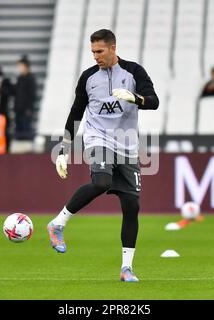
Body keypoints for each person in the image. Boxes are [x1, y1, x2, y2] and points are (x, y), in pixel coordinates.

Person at [47, 29, 159, 282]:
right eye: (93, 52)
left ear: (113, 48)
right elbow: (76, 114)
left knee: (132, 206)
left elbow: (154, 101)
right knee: (101, 181)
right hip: (98, 139)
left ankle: (126, 268)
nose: (96, 56)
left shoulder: (134, 72)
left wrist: (135, 98)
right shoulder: (88, 78)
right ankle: (58, 224)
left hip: (128, 146)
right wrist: (63, 150)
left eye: (100, 51)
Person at [14, 55, 37, 140]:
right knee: (19, 133)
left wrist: (29, 109)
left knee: (26, 132)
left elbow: (32, 95)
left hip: (26, 111)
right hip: (18, 110)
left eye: (20, 66)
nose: (18, 68)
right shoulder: (20, 78)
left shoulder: (31, 79)